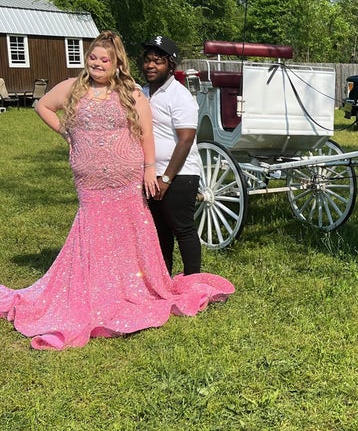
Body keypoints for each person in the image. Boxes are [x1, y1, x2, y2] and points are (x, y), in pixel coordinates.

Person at [0, 31, 234, 350]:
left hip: (128, 180)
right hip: (91, 182)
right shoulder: (74, 86)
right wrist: (67, 133)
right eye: (93, 57)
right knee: (94, 233)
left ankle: (136, 286)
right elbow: (43, 106)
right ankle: (94, 289)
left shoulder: (132, 91)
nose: (97, 63)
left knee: (134, 234)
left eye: (104, 59)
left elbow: (149, 133)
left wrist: (152, 169)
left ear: (116, 63)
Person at [140, 36, 202, 276]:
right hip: (150, 174)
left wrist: (166, 178)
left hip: (179, 175)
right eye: (147, 60)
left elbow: (185, 140)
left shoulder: (179, 95)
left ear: (171, 66)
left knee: (183, 229)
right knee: (159, 231)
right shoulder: (143, 93)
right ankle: (164, 279)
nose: (151, 66)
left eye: (158, 61)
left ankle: (193, 281)